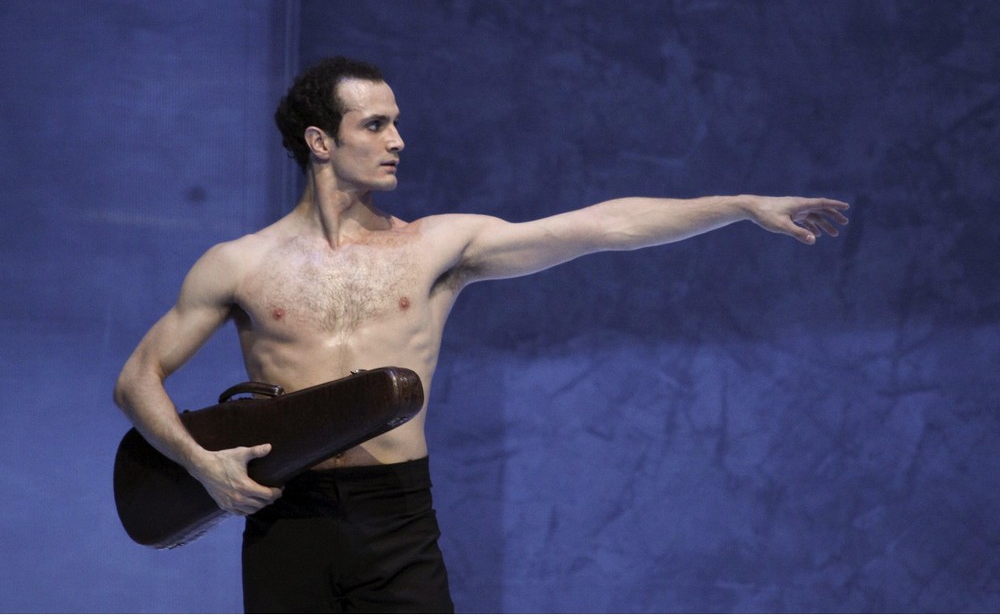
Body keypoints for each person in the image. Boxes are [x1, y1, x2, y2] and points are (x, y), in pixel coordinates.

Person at [113, 56, 849, 613]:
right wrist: (202, 464)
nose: (398, 140)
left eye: (397, 122)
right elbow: (137, 380)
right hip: (287, 518)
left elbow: (601, 226)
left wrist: (737, 204)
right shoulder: (239, 264)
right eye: (376, 125)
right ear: (320, 141)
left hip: (396, 515)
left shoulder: (438, 245)